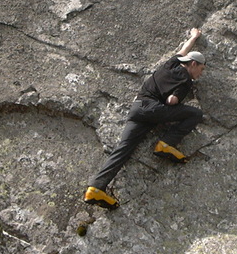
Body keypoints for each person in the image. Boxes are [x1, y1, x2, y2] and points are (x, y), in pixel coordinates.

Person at [84, 28, 206, 209]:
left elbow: (182, 51)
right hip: (153, 109)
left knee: (123, 149)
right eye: (201, 69)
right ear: (194, 64)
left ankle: (96, 188)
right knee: (195, 114)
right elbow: (172, 101)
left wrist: (193, 37)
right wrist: (179, 94)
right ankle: (166, 144)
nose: (200, 74)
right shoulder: (186, 80)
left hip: (137, 108)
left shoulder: (170, 64)